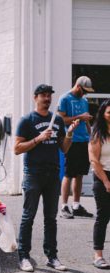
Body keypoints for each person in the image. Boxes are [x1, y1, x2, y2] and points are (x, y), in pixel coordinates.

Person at [14, 84, 79, 272]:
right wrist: (38, 139)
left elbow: (64, 148)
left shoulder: (57, 120)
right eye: (43, 95)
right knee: (28, 216)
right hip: (33, 174)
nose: (47, 99)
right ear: (35, 97)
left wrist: (69, 134)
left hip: (53, 175)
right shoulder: (27, 120)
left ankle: (52, 256)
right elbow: (17, 149)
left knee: (51, 218)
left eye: (49, 96)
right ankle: (24, 256)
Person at [58, 76, 95, 218]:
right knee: (69, 174)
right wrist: (80, 117)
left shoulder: (84, 101)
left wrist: (89, 131)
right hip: (71, 140)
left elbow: (85, 120)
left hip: (83, 140)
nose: (85, 94)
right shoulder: (65, 99)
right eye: (84, 91)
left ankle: (76, 206)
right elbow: (61, 120)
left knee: (80, 174)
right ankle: (64, 207)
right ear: (78, 86)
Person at [88, 99, 110, 269]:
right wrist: (106, 181)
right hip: (102, 176)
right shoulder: (98, 133)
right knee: (103, 217)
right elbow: (94, 161)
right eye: (109, 112)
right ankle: (98, 255)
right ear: (103, 114)